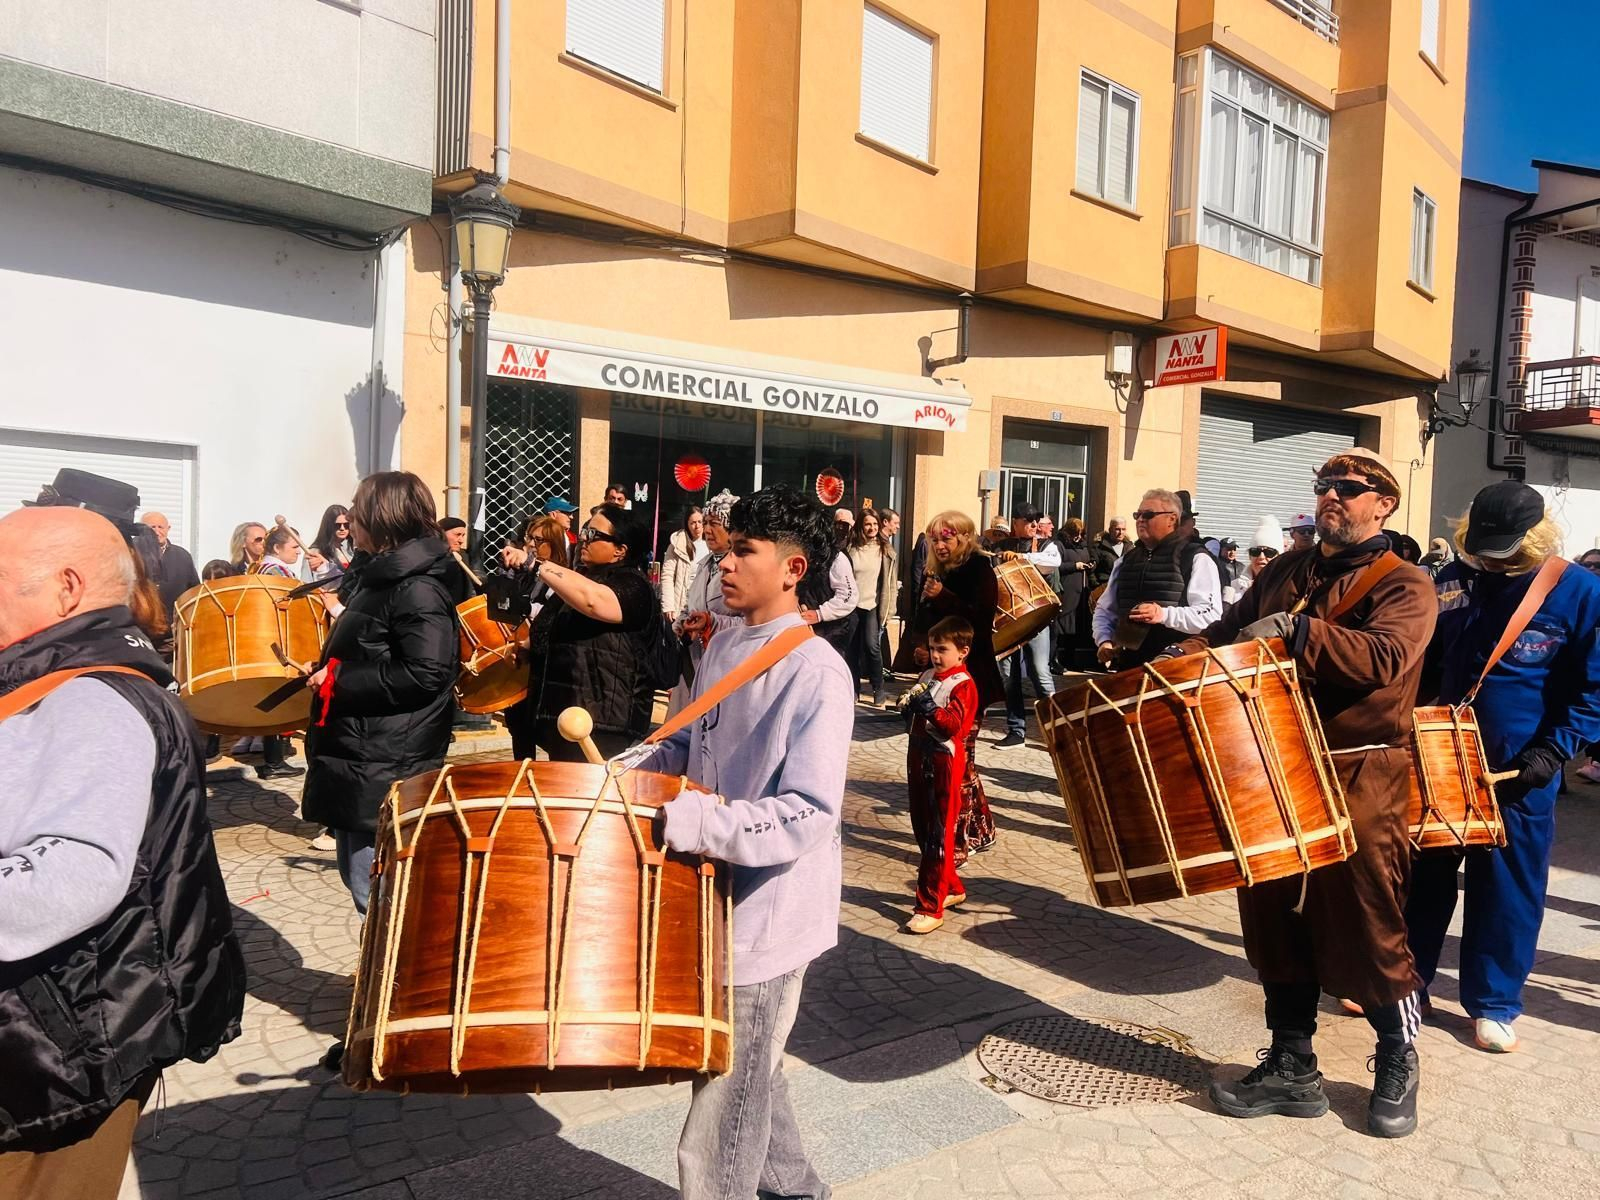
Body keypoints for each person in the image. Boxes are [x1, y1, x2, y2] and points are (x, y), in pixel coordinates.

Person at [1181, 448, 1435, 1139]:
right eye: (1324, 486)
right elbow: (1230, 628)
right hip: (1272, 761)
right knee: (1272, 913)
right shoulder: (1290, 568)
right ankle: (1293, 1062)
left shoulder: (1406, 584)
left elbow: (1384, 659)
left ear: (1382, 503)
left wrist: (1299, 631)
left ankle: (1397, 1055)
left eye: (1347, 489)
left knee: (1366, 915)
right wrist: (1177, 656)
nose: (1331, 497)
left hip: (1360, 771)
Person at [0, 506, 243, 1198]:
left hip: (55, 1050)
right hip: (56, 1037)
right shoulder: (52, 685)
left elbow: (73, 876)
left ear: (66, 587)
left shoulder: (90, 703)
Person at [635, 484, 849, 1200]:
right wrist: (636, 776)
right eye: (725, 549)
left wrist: (699, 824)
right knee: (751, 1070)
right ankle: (799, 1192)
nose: (722, 564)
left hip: (770, 919)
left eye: (743, 552)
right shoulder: (725, 644)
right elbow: (692, 747)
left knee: (721, 1112)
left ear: (793, 569)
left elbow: (809, 811)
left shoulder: (817, 670)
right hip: (709, 901)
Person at [1405, 482, 1600, 1054]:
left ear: (1537, 536)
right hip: (1442, 757)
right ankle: (1406, 985)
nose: (1494, 558)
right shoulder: (1454, 581)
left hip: (1521, 768)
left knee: (1508, 886)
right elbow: (1423, 663)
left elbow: (1595, 688)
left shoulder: (1579, 592)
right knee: (1423, 878)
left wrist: (1555, 751)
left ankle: (1493, 1002)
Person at [301, 472, 460, 917]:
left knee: (379, 894)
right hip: (362, 754)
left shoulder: (417, 589)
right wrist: (325, 671)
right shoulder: (381, 581)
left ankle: (396, 983)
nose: (349, 517)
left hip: (386, 759)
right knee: (366, 888)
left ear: (383, 517)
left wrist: (340, 680)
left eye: (358, 508)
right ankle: (381, 979)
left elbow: (426, 673)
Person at [511, 505, 658, 761]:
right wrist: (527, 647)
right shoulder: (582, 577)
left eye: (594, 535)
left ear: (619, 551)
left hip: (603, 721)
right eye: (584, 532)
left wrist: (536, 566)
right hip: (566, 714)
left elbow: (594, 601)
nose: (584, 541)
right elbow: (549, 625)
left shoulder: (633, 584)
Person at [896, 512, 1004, 861]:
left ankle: (960, 839)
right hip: (939, 677)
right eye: (935, 540)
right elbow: (926, 621)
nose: (940, 546)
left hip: (970, 681)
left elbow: (979, 620)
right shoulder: (936, 572)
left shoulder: (978, 569)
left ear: (965, 538)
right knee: (956, 758)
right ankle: (980, 829)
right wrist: (920, 649)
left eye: (947, 539)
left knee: (957, 758)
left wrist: (944, 595)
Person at [902, 615, 979, 934]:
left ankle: (929, 905)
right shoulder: (930, 673)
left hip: (943, 759)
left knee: (937, 834)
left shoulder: (964, 684)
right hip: (919, 753)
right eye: (933, 648)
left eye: (942, 650)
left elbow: (954, 726)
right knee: (922, 827)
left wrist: (929, 707)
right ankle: (951, 886)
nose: (935, 655)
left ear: (962, 652)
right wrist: (909, 706)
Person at [1092, 489, 1222, 672]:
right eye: (1137, 514)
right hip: (1129, 669)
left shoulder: (1195, 557)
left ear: (1172, 519)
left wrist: (1163, 615)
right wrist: (1104, 640)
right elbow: (1105, 609)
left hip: (1177, 670)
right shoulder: (1125, 560)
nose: (1140, 519)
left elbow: (1210, 616)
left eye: (1148, 514)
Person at [668, 490, 741, 716]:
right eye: (705, 523)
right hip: (693, 661)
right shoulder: (703, 565)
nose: (707, 530)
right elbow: (691, 605)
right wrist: (682, 622)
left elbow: (753, 622)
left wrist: (713, 623)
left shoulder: (742, 568)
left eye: (714, 523)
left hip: (726, 664)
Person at [996, 503, 1059, 748]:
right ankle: (1016, 731)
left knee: (1040, 673)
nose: (1034, 525)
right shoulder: (1001, 547)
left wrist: (1022, 557)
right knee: (1008, 677)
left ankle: (1056, 729)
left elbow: (1052, 562)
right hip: (1008, 621)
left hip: (1035, 618)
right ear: (1016, 522)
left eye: (1036, 520)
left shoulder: (1046, 546)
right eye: (1028, 520)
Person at [845, 506, 897, 707]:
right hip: (852, 606)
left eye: (875, 524)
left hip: (873, 605)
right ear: (861, 526)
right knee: (852, 649)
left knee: (872, 647)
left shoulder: (886, 551)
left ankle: (878, 689)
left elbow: (890, 584)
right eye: (868, 524)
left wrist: (889, 610)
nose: (872, 527)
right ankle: (854, 689)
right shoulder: (850, 548)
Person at [139, 511, 199, 658]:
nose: (157, 532)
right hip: (139, 634)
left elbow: (194, 592)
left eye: (161, 527)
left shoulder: (182, 556)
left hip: (171, 637)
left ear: (168, 529)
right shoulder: (132, 553)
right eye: (152, 527)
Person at [804, 510, 860, 654]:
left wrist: (819, 614)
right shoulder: (801, 555)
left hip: (831, 631)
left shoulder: (837, 558)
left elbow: (848, 595)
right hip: (804, 629)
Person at [659, 505, 707, 621]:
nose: (697, 526)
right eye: (693, 523)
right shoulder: (677, 544)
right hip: (683, 603)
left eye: (700, 522)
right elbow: (668, 575)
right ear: (687, 524)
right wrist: (668, 605)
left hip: (704, 603)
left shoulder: (711, 543)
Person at [310, 504, 355, 579]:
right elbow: (306, 581)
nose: (342, 528)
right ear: (329, 526)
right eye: (337, 525)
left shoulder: (349, 549)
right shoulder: (315, 552)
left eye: (346, 525)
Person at [1091, 517, 1131, 587]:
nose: (1121, 532)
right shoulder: (1099, 547)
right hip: (1105, 589)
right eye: (1117, 529)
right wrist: (1096, 586)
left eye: (1123, 529)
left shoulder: (1130, 547)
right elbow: (1091, 570)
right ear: (1110, 530)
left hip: (1124, 589)